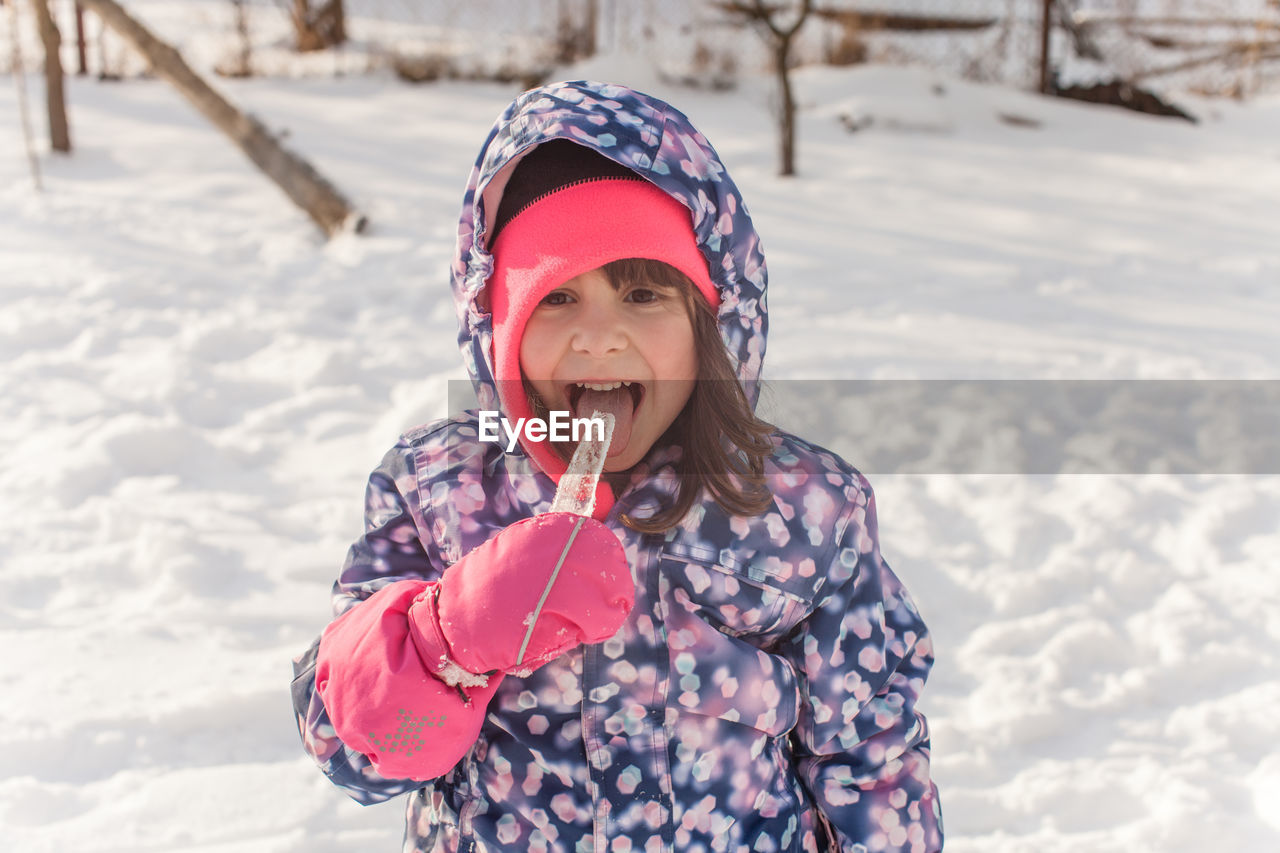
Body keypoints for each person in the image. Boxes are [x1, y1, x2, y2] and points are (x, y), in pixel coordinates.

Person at [291, 80, 943, 853]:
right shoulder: (439, 487)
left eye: (641, 292)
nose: (599, 338)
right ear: (499, 325)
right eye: (557, 297)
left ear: (711, 320)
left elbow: (874, 756)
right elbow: (348, 748)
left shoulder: (802, 507)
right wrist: (447, 635)